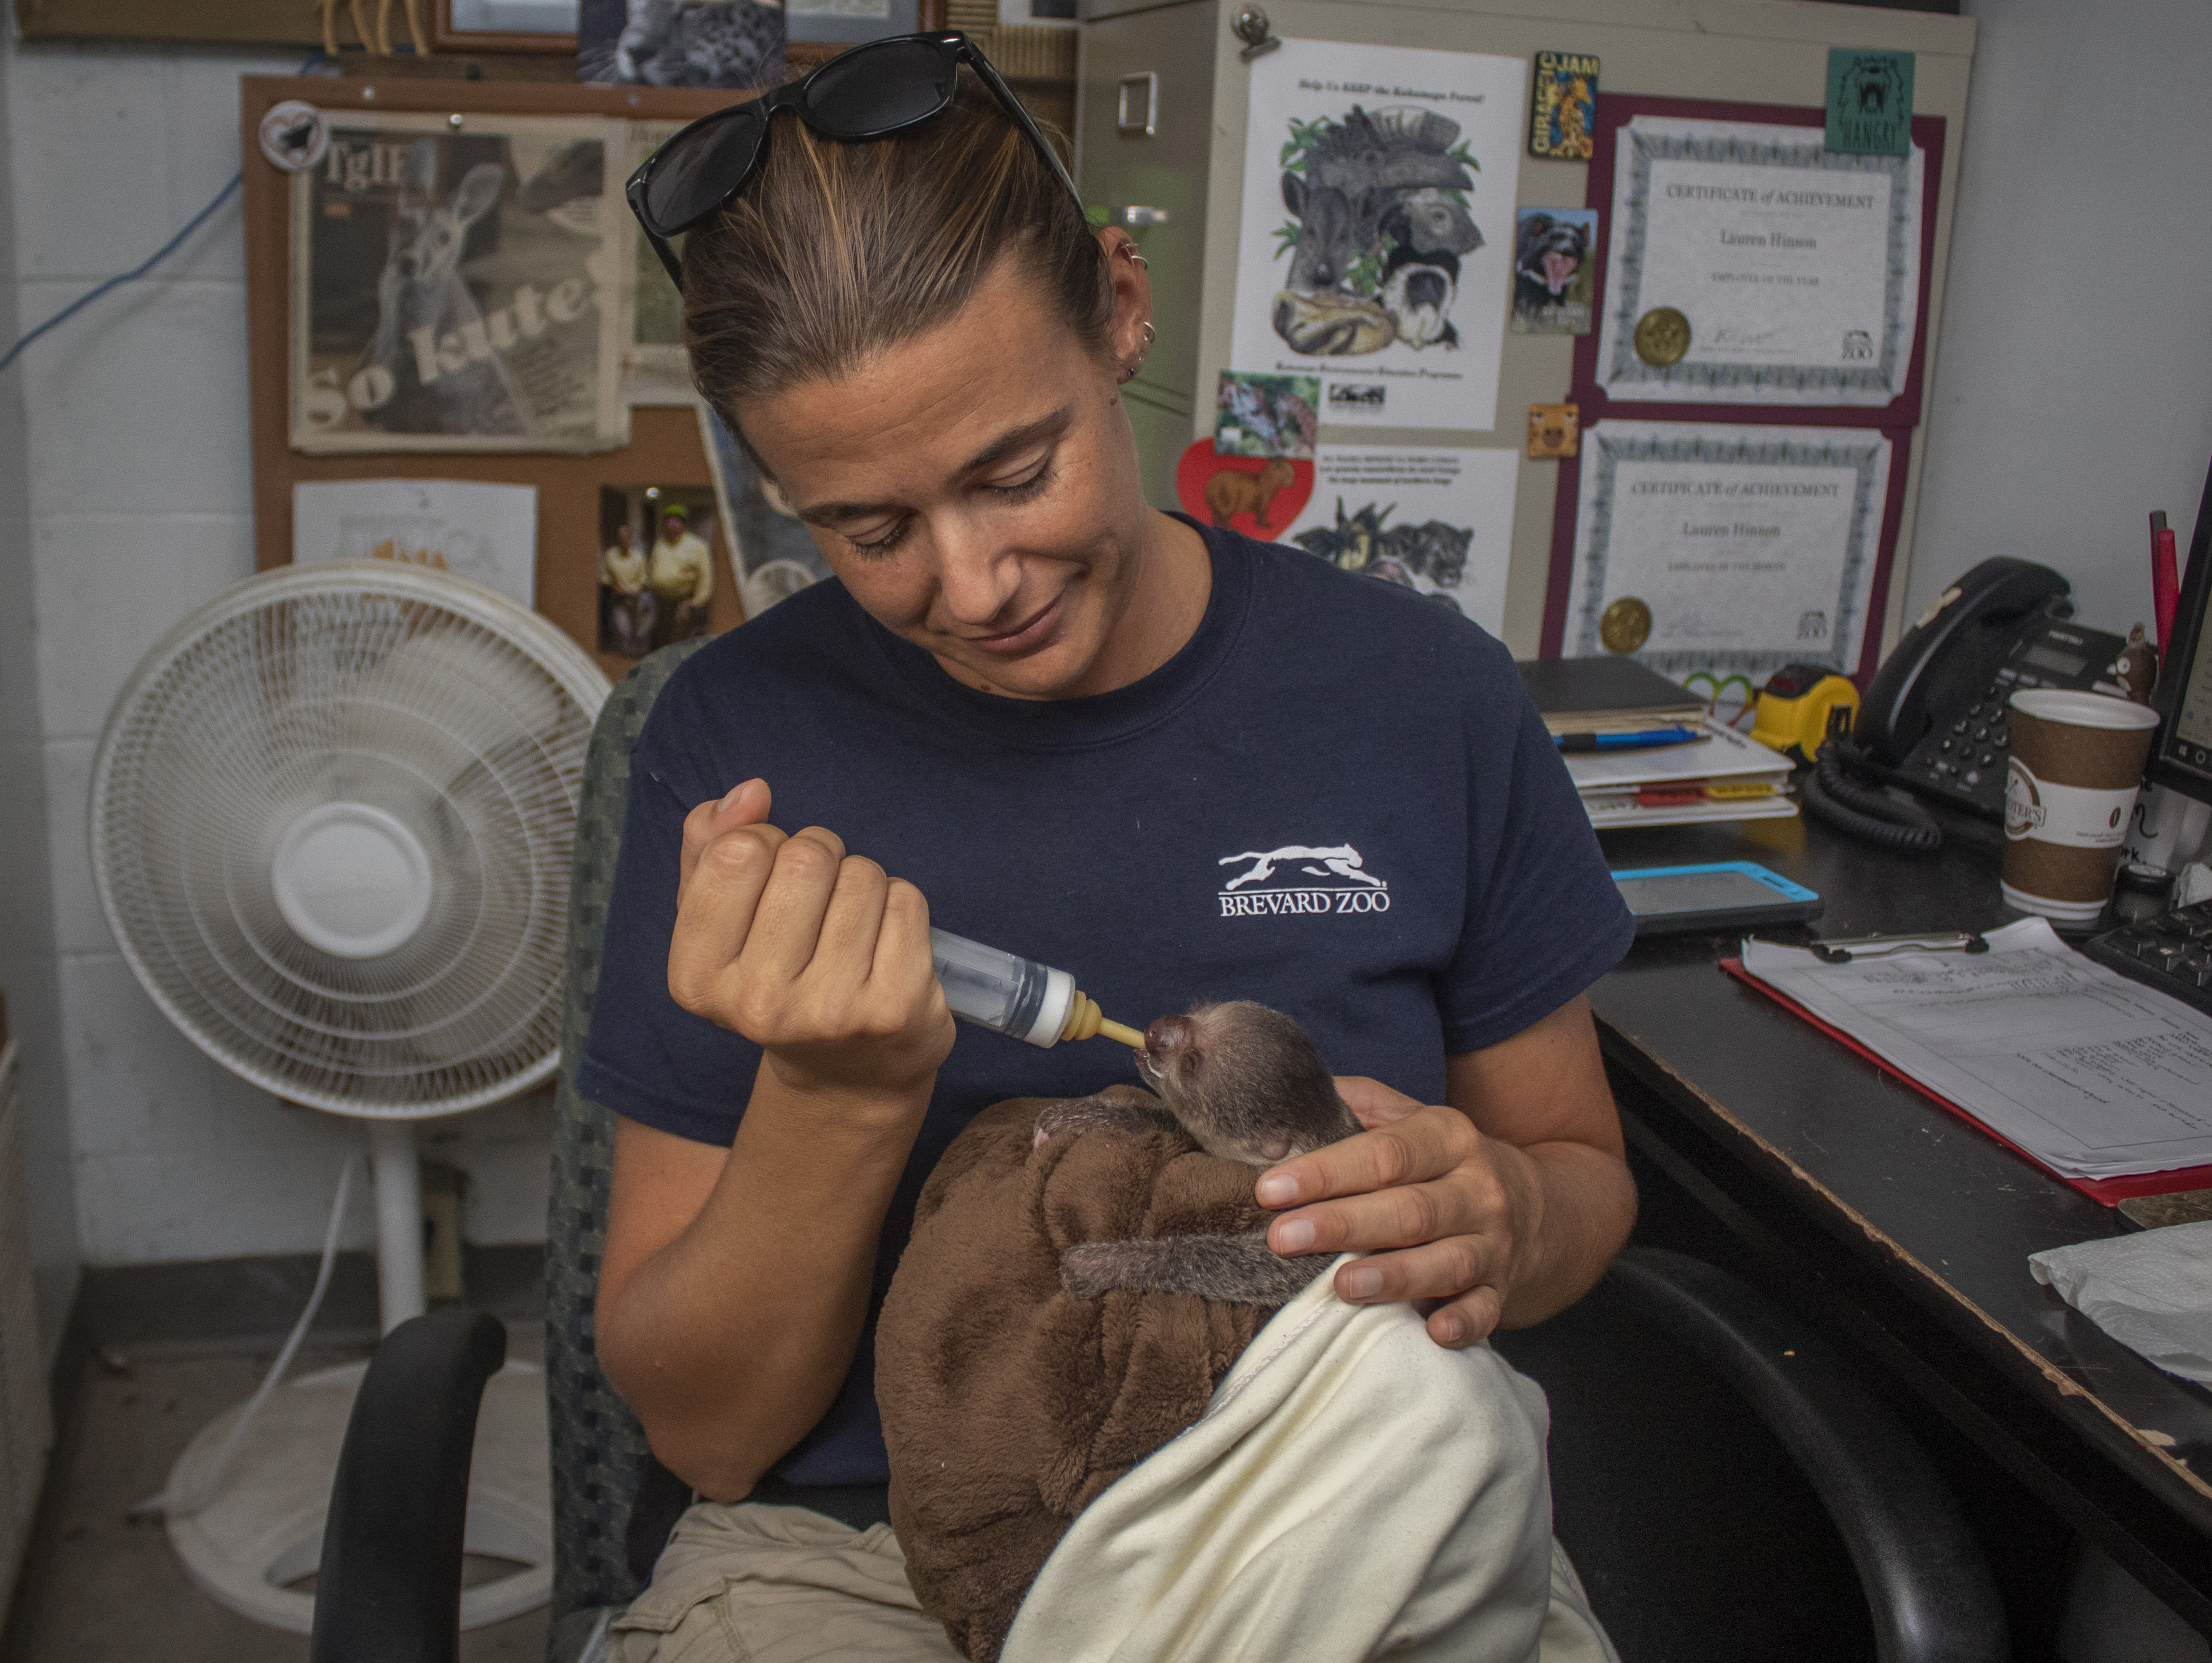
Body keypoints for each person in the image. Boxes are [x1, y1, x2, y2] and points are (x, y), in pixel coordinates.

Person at [577, 31, 1637, 1660]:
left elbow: (1579, 1182)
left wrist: (1498, 1205)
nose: (976, 578)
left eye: (1018, 471)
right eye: (871, 530)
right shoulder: (733, 755)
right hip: (870, 1559)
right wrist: (839, 1094)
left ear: (1119, 313)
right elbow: (707, 1434)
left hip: (1338, 1491)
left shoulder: (1416, 694)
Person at [647, 504, 714, 645]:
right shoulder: (660, 544)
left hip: (683, 602)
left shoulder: (698, 546)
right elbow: (652, 566)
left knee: (679, 640)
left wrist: (695, 602)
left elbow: (706, 578)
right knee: (662, 637)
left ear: (683, 524)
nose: (671, 524)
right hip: (661, 601)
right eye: (668, 520)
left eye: (676, 521)